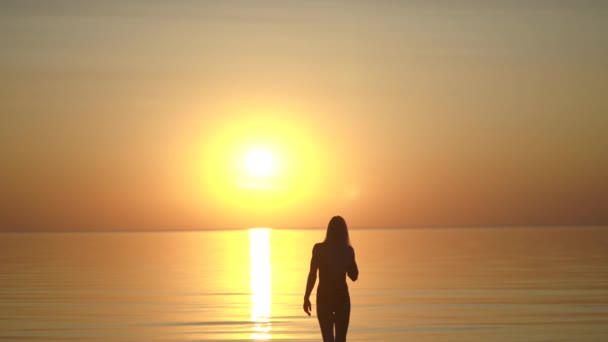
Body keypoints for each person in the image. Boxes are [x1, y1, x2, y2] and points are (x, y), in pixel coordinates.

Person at [303, 216, 359, 342]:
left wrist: (306, 297)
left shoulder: (319, 249)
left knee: (327, 339)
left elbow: (312, 275)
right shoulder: (347, 251)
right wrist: (349, 258)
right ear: (345, 232)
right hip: (342, 299)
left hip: (324, 299)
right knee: (341, 339)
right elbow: (354, 276)